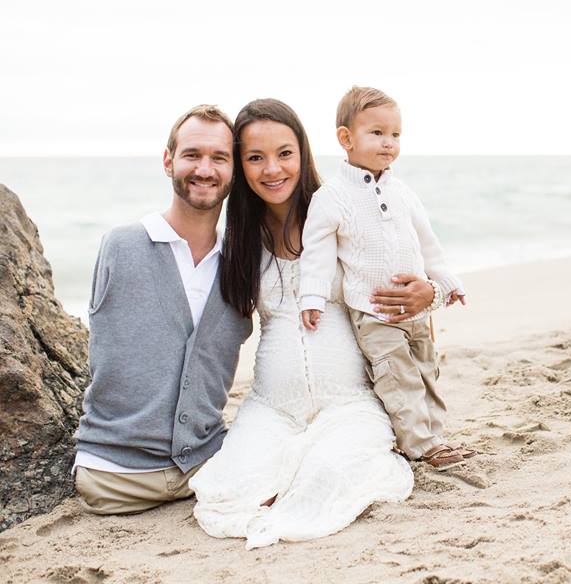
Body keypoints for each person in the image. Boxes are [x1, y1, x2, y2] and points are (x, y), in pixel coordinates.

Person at [189, 98, 435, 549]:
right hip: (272, 407)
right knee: (228, 491)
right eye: (255, 158)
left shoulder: (345, 214)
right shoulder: (239, 241)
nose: (272, 169)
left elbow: (414, 274)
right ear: (241, 166)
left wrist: (431, 292)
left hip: (350, 402)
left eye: (284, 153)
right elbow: (208, 329)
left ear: (303, 152)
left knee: (332, 476)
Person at [73, 105, 253, 514]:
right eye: (192, 155)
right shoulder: (122, 247)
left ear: (234, 171)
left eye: (219, 158)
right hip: (113, 476)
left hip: (206, 467)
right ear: (168, 160)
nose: (204, 169)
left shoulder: (240, 265)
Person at [299, 86, 470, 471]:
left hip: (417, 311)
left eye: (395, 135)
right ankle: (420, 445)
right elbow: (318, 254)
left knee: (427, 372)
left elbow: (428, 245)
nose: (389, 143)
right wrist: (311, 297)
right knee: (398, 377)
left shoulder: (403, 192)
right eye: (377, 133)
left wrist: (448, 281)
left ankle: (436, 437)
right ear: (346, 138)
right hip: (373, 311)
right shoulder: (333, 197)